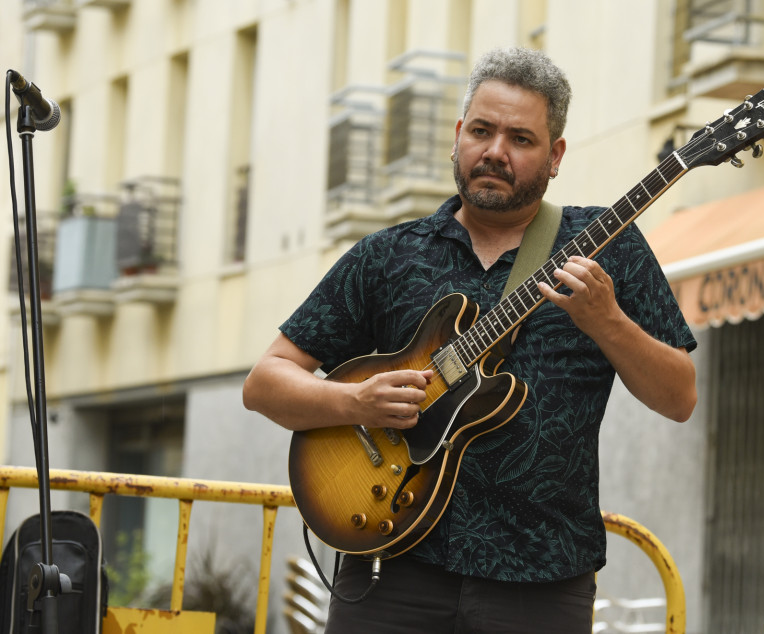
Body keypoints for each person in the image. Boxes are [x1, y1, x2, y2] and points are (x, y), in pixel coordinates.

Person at [243, 47, 697, 634]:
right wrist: (355, 402)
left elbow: (679, 397)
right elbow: (265, 383)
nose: (495, 152)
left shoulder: (607, 248)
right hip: (389, 561)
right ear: (457, 136)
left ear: (555, 155)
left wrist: (606, 320)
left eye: (521, 139)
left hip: (542, 576)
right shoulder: (388, 256)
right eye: (481, 131)